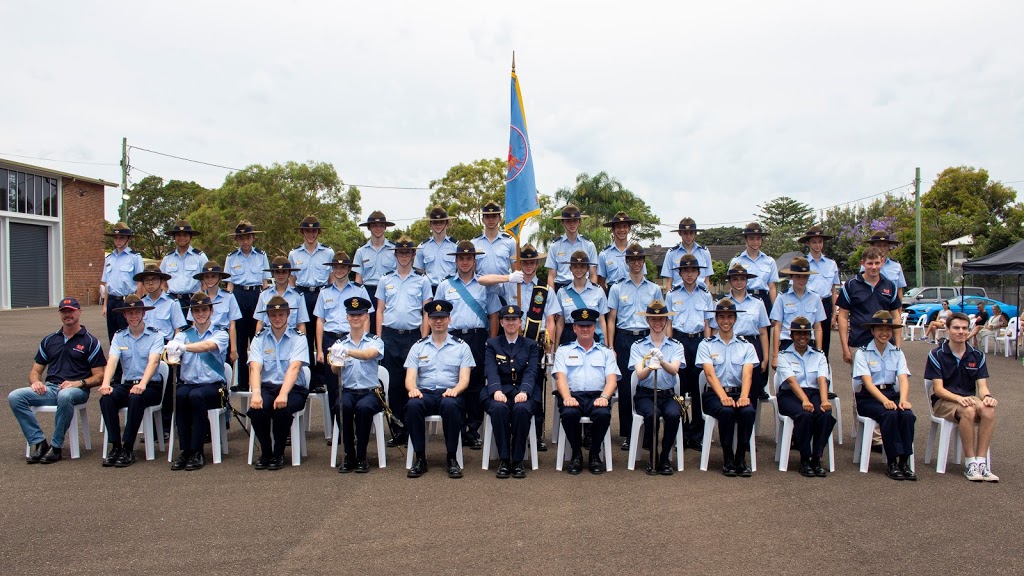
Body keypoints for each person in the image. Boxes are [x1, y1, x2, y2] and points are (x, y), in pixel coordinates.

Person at [9, 297, 106, 464]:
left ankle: (56, 446)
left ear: (79, 312)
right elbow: (35, 371)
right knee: (15, 397)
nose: (68, 315)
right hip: (51, 388)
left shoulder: (90, 341)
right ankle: (39, 442)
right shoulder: (49, 340)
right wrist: (35, 382)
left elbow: (100, 376)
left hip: (77, 391)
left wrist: (79, 383)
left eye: (71, 311)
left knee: (65, 396)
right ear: (60, 314)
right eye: (64, 312)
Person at [478, 243, 552, 451]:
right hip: (509, 344)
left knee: (533, 387)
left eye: (531, 261)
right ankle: (510, 434)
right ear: (519, 263)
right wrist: (508, 278)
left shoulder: (544, 290)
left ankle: (536, 436)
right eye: (524, 261)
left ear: (537, 263)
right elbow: (482, 280)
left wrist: (549, 348)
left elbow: (551, 320)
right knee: (507, 386)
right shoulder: (511, 284)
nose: (528, 265)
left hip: (534, 344)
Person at [434, 240, 501, 449]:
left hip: (478, 337)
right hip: (452, 338)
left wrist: (491, 341)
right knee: (454, 382)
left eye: (469, 258)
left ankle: (473, 430)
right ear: (455, 260)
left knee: (475, 384)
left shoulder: (484, 284)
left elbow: (493, 315)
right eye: (461, 258)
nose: (465, 262)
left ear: (474, 260)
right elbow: (435, 314)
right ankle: (457, 427)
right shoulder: (445, 285)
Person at [404, 301, 476, 479]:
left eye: (442, 318)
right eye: (434, 318)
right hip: (425, 393)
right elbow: (410, 379)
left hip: (450, 393)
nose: (438, 322)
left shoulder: (461, 346)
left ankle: (452, 458)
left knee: (451, 406)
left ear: (449, 319)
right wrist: (413, 390)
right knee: (413, 405)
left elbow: (465, 380)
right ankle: (420, 458)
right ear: (428, 320)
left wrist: (455, 390)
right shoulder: (418, 346)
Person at [925, 312, 999, 481]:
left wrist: (987, 396)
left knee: (988, 410)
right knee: (968, 410)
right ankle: (970, 463)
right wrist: (958, 399)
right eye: (956, 328)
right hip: (944, 401)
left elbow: (982, 386)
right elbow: (938, 390)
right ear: (948, 329)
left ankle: (981, 463)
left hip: (969, 399)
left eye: (965, 328)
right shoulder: (936, 354)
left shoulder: (977, 355)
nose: (961, 332)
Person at [376, 236, 432, 447]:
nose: (404, 256)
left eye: (408, 252)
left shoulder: (422, 280)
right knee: (394, 386)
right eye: (401, 252)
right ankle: (398, 430)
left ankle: (412, 428)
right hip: (390, 337)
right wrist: (379, 339)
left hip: (412, 337)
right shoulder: (385, 280)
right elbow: (380, 310)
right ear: (396, 254)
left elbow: (426, 311)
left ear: (414, 255)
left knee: (413, 385)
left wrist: (424, 339)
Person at [606, 243, 664, 450]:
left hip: (647, 339)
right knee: (625, 387)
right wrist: (610, 346)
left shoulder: (654, 288)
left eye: (640, 260)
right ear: (627, 262)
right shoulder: (617, 287)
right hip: (624, 339)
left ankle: (648, 433)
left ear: (643, 262)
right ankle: (628, 433)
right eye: (632, 260)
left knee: (647, 384)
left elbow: (660, 319)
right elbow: (611, 319)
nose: (636, 263)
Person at [164, 292, 230, 471]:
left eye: (203, 310)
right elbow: (172, 354)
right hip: (189, 384)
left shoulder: (220, 333)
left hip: (213, 387)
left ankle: (197, 451)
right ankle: (185, 450)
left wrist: (184, 348)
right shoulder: (184, 334)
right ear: (191, 313)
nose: (200, 314)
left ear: (211, 310)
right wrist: (171, 351)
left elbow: (207, 346)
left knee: (196, 396)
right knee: (179, 395)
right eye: (196, 310)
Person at [97, 295, 165, 467]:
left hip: (150, 386)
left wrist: (142, 384)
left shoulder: (155, 335)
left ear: (143, 314)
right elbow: (112, 360)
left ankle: (128, 448)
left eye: (136, 312)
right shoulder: (119, 336)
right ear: (124, 316)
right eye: (129, 313)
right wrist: (105, 383)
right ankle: (116, 446)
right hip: (127, 384)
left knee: (136, 398)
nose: (133, 316)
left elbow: (154, 361)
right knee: (106, 399)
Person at [553, 308, 620, 475]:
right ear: (574, 328)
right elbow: (560, 378)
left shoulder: (606, 352)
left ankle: (594, 454)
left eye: (589, 326)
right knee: (569, 414)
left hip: (597, 396)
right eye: (581, 326)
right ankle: (576, 453)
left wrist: (604, 397)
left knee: (603, 414)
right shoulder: (563, 350)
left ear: (595, 327)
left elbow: (612, 380)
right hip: (572, 396)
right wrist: (567, 397)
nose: (585, 329)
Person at [247, 295, 309, 471]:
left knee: (282, 409)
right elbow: (255, 368)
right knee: (257, 410)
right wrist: (256, 394)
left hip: (293, 388)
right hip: (267, 386)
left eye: (281, 314)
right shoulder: (259, 338)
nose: (277, 318)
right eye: (273, 315)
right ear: (267, 316)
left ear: (288, 315)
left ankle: (278, 453)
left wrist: (283, 394)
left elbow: (295, 368)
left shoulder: (298, 337)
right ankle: (266, 452)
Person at [698, 298, 759, 477]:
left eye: (729, 317)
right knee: (726, 412)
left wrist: (744, 396)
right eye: (722, 317)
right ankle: (728, 458)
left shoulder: (746, 346)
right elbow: (709, 374)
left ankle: (741, 456)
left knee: (748, 411)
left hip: (738, 392)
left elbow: (748, 374)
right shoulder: (706, 344)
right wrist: (722, 395)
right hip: (713, 395)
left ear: (735, 319)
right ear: (716, 319)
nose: (726, 321)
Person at [853, 311, 917, 480]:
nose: (884, 333)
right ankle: (892, 462)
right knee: (888, 414)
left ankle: (904, 461)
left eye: (888, 329)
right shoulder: (863, 352)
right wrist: (885, 401)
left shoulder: (897, 352)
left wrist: (903, 399)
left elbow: (903, 378)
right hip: (869, 397)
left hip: (890, 392)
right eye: (880, 329)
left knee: (907, 415)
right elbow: (867, 383)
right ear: (872, 331)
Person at [314, 252, 372, 430]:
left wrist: (365, 341)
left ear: (349, 269)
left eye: (343, 267)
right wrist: (320, 349)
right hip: (332, 340)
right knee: (333, 386)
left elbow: (367, 317)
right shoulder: (324, 292)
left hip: (353, 340)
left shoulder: (359, 290)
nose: (339, 270)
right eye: (336, 267)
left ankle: (357, 426)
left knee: (355, 382)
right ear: (332, 269)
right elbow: (320, 321)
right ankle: (338, 428)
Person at [484, 305, 541, 479]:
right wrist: (496, 390)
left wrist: (524, 391)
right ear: (501, 322)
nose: (510, 323)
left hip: (523, 390)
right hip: (500, 389)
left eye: (514, 319)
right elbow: (490, 369)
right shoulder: (492, 344)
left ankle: (517, 461)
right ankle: (503, 459)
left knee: (521, 409)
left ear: (520, 323)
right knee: (499, 409)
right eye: (507, 320)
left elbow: (532, 371)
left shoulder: (531, 345)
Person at [329, 297, 385, 473]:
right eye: (352, 315)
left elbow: (369, 355)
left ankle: (361, 456)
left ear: (366, 317)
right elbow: (334, 371)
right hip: (348, 390)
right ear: (347, 317)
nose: (356, 318)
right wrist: (336, 361)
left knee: (364, 408)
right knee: (341, 406)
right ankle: (349, 455)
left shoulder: (375, 340)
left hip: (370, 392)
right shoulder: (340, 343)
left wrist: (347, 352)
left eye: (359, 315)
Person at [629, 300, 685, 475]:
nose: (657, 323)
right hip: (645, 394)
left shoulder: (676, 345)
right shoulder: (638, 346)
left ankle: (665, 456)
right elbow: (640, 374)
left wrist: (661, 361)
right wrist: (649, 366)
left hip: (668, 394)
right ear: (648, 321)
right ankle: (652, 456)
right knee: (652, 414)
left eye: (661, 319)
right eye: (653, 319)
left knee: (673, 414)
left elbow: (675, 370)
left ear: (667, 321)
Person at [775, 316, 835, 477]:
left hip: (814, 393)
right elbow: (792, 382)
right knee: (804, 415)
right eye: (799, 334)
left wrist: (823, 401)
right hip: (790, 395)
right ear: (792, 335)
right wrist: (805, 400)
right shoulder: (783, 355)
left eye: (806, 334)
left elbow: (822, 379)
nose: (803, 337)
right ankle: (804, 459)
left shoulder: (819, 355)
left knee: (825, 415)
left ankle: (816, 457)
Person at [665, 253, 713, 449]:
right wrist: (668, 346)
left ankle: (697, 434)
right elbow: (669, 323)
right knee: (680, 391)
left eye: (693, 270)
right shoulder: (672, 294)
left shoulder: (705, 294)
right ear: (680, 273)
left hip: (700, 341)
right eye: (686, 270)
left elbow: (708, 323)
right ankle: (682, 433)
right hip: (679, 341)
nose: (690, 274)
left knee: (699, 390)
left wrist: (709, 345)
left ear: (699, 272)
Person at [136, 263, 187, 434]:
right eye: (147, 280)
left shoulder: (172, 303)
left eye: (154, 280)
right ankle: (149, 427)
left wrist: (174, 352)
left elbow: (178, 329)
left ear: (162, 281)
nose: (150, 283)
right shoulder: (140, 304)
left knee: (167, 387)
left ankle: (165, 427)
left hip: (166, 346)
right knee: (148, 384)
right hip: (146, 347)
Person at [729, 223, 778, 400]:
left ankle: (760, 385)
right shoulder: (737, 261)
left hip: (763, 299)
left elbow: (772, 286)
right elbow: (732, 283)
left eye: (758, 238)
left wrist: (774, 311)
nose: (755, 241)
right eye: (751, 238)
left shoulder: (769, 261)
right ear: (745, 240)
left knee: (761, 340)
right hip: (742, 296)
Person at [711, 264, 770, 404]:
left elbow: (763, 332)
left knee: (753, 391)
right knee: (731, 387)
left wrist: (766, 357)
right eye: (735, 279)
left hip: (753, 345)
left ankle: (751, 424)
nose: (739, 282)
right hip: (730, 345)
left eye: (742, 279)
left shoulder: (758, 303)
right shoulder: (721, 303)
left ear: (747, 281)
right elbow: (714, 330)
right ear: (730, 281)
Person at [289, 215, 335, 392]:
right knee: (304, 337)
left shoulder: (327, 252)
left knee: (322, 336)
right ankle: (307, 376)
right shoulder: (294, 254)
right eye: (307, 230)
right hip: (302, 295)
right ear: (302, 232)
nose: (310, 233)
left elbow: (331, 278)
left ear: (318, 232)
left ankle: (320, 378)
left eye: (314, 230)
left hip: (321, 294)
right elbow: (292, 280)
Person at [837, 247, 903, 366]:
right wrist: (845, 348)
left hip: (885, 345)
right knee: (861, 384)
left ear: (882, 262)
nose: (874, 267)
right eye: (870, 263)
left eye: (877, 263)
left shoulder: (890, 285)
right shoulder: (851, 285)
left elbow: (896, 316)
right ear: (863, 263)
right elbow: (842, 317)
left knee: (886, 382)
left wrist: (897, 346)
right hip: (858, 343)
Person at [224, 220, 270, 392]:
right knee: (240, 342)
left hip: (256, 296)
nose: (245, 241)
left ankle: (260, 381)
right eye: (241, 238)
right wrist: (228, 304)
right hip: (238, 296)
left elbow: (265, 283)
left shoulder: (261, 255)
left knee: (258, 339)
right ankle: (243, 382)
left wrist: (266, 303)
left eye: (248, 237)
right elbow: (228, 285)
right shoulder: (231, 257)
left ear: (253, 238)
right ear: (237, 239)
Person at [770, 256, 826, 368]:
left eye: (805, 277)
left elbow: (818, 327)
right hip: (787, 343)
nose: (802, 280)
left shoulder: (815, 298)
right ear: (791, 276)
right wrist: (775, 356)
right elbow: (777, 327)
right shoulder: (782, 297)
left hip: (808, 343)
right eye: (798, 276)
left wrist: (819, 352)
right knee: (787, 382)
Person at [547, 250, 609, 346]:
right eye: (575, 266)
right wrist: (555, 349)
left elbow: (602, 321)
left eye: (582, 266)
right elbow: (559, 323)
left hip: (591, 335)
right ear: (570, 268)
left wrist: (606, 347)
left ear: (588, 268)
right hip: (569, 335)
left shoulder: (598, 291)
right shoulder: (562, 292)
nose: (578, 270)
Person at [189, 261, 242, 368]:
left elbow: (232, 325)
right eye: (207, 277)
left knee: (223, 371)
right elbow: (193, 324)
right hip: (202, 338)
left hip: (222, 339)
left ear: (220, 278)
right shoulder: (197, 298)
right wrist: (193, 344)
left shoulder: (229, 297)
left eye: (213, 276)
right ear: (203, 279)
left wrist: (233, 349)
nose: (210, 279)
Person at [799, 225, 840, 358]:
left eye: (820, 242)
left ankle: (823, 369)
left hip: (826, 303)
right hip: (808, 304)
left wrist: (834, 315)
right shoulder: (802, 263)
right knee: (805, 338)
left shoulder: (831, 263)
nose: (817, 245)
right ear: (808, 243)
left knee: (825, 342)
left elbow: (833, 291)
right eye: (814, 242)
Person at [353, 210, 397, 335]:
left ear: (385, 227)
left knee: (387, 327)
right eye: (374, 225)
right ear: (369, 227)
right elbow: (358, 278)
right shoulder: (361, 251)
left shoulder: (394, 250)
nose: (378, 228)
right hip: (367, 292)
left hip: (388, 292)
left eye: (381, 225)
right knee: (366, 329)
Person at [100, 221, 144, 342]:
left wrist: (138, 304)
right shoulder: (109, 258)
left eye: (122, 237)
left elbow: (140, 282)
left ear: (128, 239)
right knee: (113, 337)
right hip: (112, 302)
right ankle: (116, 361)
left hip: (127, 301)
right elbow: (107, 283)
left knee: (128, 336)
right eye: (116, 237)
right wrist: (105, 305)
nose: (118, 240)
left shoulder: (135, 257)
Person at [160, 220, 208, 316]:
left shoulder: (200, 257)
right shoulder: (168, 258)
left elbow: (206, 281)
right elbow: (162, 283)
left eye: (185, 235)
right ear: (174, 237)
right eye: (178, 235)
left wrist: (202, 298)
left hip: (195, 301)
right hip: (172, 301)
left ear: (191, 237)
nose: (182, 238)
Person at [545, 204, 598, 290]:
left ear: (579, 222)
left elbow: (593, 274)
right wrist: (552, 298)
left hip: (583, 287)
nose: (572, 224)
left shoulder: (589, 245)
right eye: (568, 221)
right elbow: (551, 276)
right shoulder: (555, 246)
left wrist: (592, 294)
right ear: (563, 223)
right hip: (561, 288)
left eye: (575, 221)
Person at [472, 201, 516, 301]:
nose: (491, 220)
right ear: (483, 219)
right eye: (487, 217)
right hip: (481, 291)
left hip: (504, 292)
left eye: (494, 216)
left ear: (500, 218)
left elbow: (515, 271)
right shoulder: (474, 243)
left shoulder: (510, 242)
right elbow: (471, 272)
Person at [254, 257, 309, 334]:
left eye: (284, 272)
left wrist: (302, 343)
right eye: (277, 272)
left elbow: (301, 324)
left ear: (289, 273)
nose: (281, 275)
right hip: (268, 337)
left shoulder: (298, 296)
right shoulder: (264, 295)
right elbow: (260, 322)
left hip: (291, 337)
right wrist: (258, 341)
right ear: (273, 273)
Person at [660, 217, 713, 291]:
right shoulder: (671, 253)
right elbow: (668, 282)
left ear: (695, 233)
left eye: (691, 233)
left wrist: (706, 297)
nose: (688, 236)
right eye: (685, 233)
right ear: (680, 233)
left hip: (700, 295)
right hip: (678, 296)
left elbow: (707, 281)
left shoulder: (704, 252)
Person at [413, 206, 458, 293]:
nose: (438, 225)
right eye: (435, 222)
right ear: (430, 224)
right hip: (429, 290)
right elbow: (419, 273)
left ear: (447, 223)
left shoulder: (455, 246)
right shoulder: (422, 247)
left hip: (451, 288)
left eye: (441, 222)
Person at [597, 211, 646, 290]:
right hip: (612, 291)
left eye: (624, 226)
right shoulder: (604, 254)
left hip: (633, 290)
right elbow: (601, 282)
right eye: (618, 227)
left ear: (629, 229)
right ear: (613, 229)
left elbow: (643, 276)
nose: (622, 230)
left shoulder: (637, 252)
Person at [862, 231, 907, 301]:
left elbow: (899, 290)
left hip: (890, 307)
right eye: (879, 245)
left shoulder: (896, 266)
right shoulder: (866, 266)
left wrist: (899, 310)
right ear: (872, 246)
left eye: (885, 245)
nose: (882, 248)